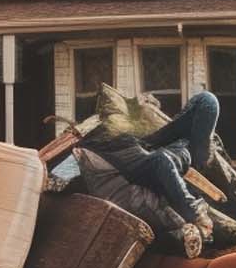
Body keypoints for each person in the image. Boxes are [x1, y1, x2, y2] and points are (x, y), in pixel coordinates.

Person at [82, 90, 220, 255]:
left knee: (206, 99)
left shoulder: (119, 143)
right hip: (177, 151)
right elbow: (161, 161)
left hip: (152, 144)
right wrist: (195, 214)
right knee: (207, 100)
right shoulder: (143, 163)